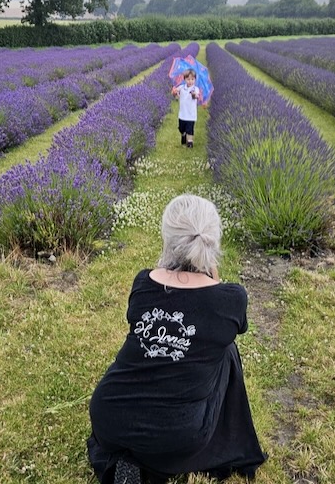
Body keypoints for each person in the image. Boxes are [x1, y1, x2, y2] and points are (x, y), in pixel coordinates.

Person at [87, 194, 267, 484]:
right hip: (177, 436)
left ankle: (129, 460)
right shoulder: (231, 299)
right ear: (213, 240)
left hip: (108, 419)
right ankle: (223, 446)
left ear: (168, 237)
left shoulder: (144, 283)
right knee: (226, 350)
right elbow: (232, 324)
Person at [172, 69, 200, 148]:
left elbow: (196, 96)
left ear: (195, 80)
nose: (190, 81)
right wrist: (174, 92)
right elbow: (175, 94)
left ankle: (190, 142)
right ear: (184, 79)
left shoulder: (195, 89)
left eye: (192, 79)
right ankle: (183, 135)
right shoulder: (181, 87)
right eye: (188, 79)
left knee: (190, 129)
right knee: (181, 128)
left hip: (191, 115)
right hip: (182, 114)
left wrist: (194, 94)